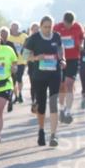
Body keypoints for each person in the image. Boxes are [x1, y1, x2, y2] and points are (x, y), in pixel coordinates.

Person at [24, 15, 66, 147]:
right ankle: (41, 130)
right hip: (39, 76)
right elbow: (24, 55)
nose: (48, 29)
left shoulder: (56, 36)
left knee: (53, 103)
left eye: (50, 27)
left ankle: (54, 135)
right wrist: (37, 57)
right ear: (41, 26)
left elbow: (60, 48)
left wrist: (62, 59)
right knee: (41, 106)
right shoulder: (34, 38)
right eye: (45, 27)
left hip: (54, 74)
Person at [54, 12, 85, 124]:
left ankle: (68, 111)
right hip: (61, 59)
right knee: (61, 86)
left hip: (73, 59)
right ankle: (61, 108)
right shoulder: (57, 27)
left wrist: (81, 44)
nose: (69, 27)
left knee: (69, 84)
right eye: (67, 24)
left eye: (71, 24)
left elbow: (82, 38)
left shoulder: (78, 27)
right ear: (63, 21)